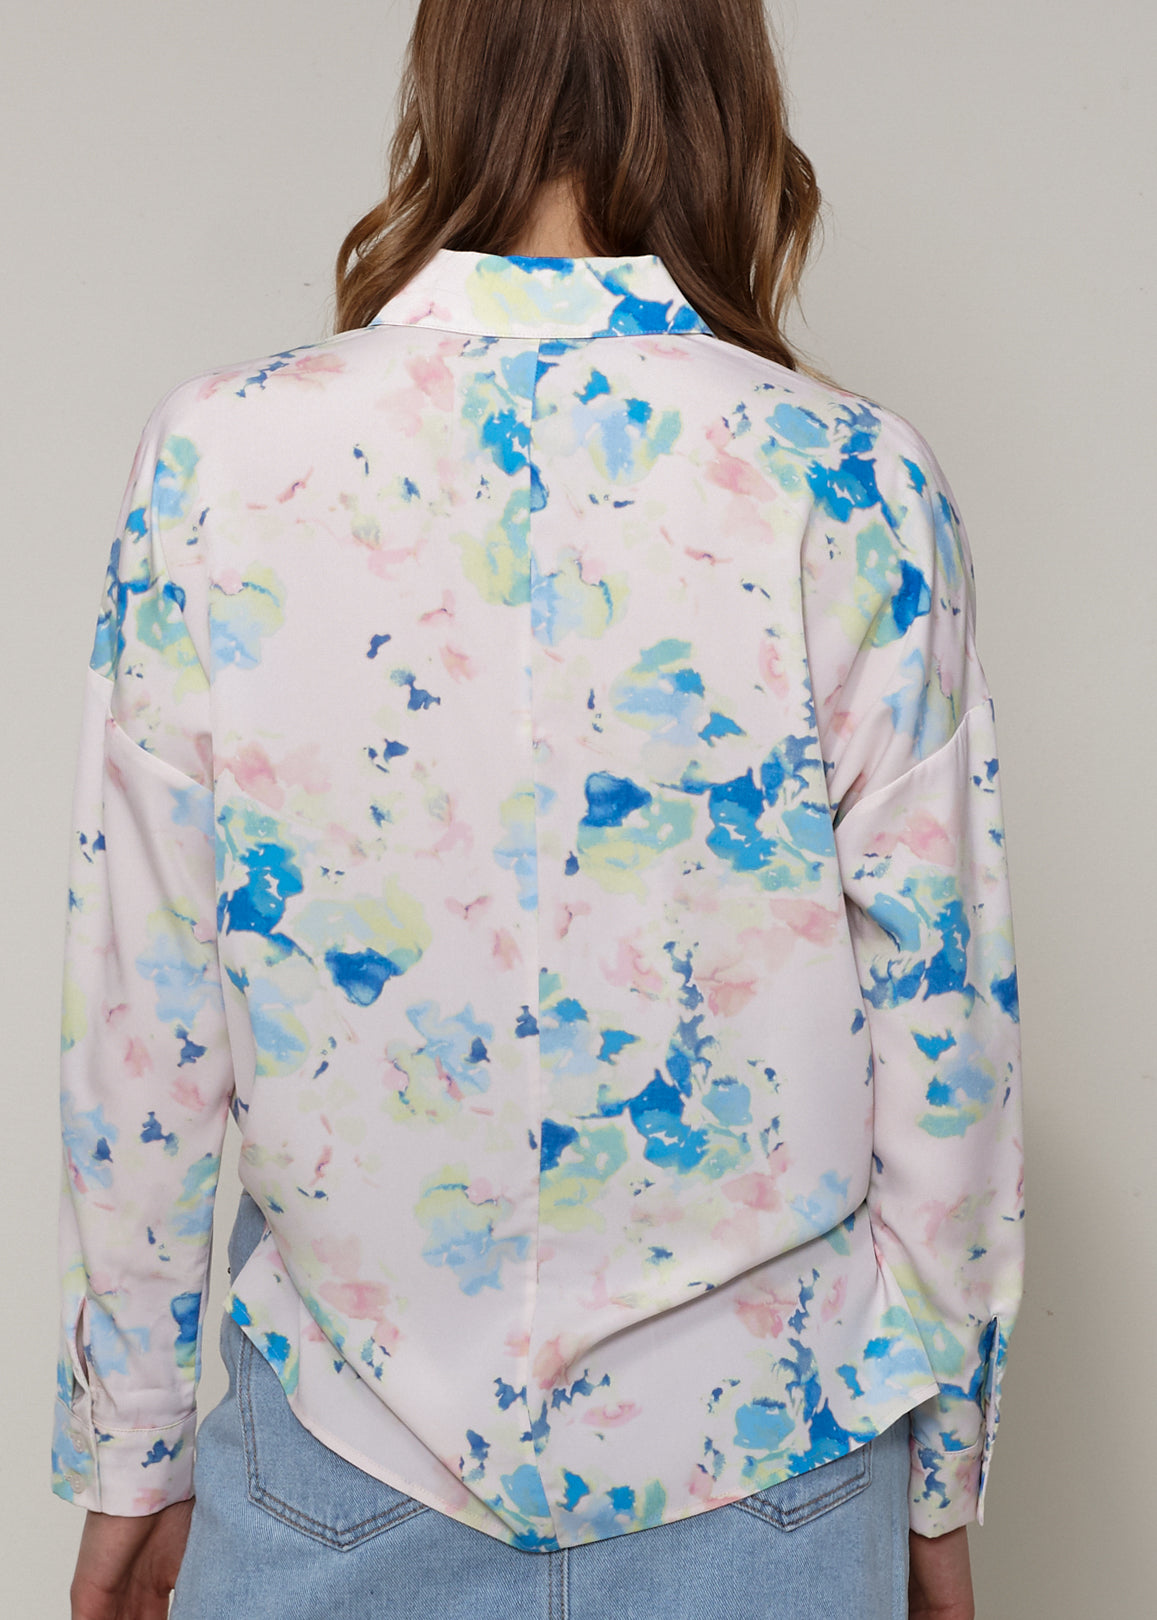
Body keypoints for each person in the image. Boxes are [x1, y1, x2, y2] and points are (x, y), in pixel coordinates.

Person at [52, 3, 1024, 1617]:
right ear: (725, 95)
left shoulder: (223, 457)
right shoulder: (851, 477)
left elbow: (142, 1024)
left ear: (447, 77)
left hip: (343, 1460)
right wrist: (940, 1482)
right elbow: (945, 1042)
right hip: (770, 1482)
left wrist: (133, 1448)